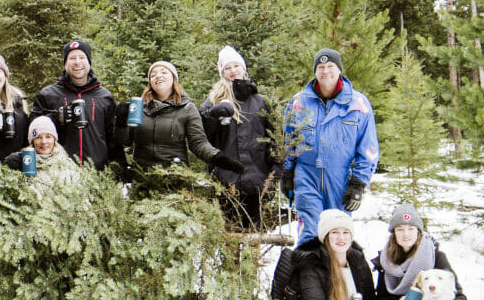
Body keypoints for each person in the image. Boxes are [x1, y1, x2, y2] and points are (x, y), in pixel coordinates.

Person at [282, 48, 378, 246]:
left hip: (341, 179)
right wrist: (287, 173)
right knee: (310, 232)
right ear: (315, 71)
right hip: (307, 176)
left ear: (339, 69)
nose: (325, 71)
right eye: (320, 67)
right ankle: (308, 275)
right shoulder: (299, 102)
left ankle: (335, 275)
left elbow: (368, 147)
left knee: (338, 233)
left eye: (330, 66)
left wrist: (359, 182)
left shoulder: (358, 104)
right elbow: (288, 139)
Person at [371, 204, 468, 300]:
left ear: (419, 231)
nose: (406, 234)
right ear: (394, 233)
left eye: (411, 229)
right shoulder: (386, 260)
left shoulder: (435, 257)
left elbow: (460, 297)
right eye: (400, 229)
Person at [199, 45, 280, 228]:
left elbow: (274, 139)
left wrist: (275, 172)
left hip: (257, 181)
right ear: (222, 72)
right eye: (227, 68)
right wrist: (213, 115)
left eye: (236, 66)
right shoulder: (213, 100)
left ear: (243, 68)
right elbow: (202, 137)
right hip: (226, 182)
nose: (232, 71)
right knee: (230, 240)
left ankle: (253, 258)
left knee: (254, 237)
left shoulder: (261, 102)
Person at [115, 60, 245, 173]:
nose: (158, 76)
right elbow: (124, 142)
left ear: (173, 79)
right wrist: (120, 123)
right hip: (142, 176)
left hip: (176, 175)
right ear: (150, 82)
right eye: (153, 75)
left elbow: (198, 143)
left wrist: (218, 157)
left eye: (164, 72)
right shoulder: (139, 107)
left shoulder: (187, 108)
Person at [32, 39, 119, 169]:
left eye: (82, 57)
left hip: (97, 172)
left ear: (88, 61)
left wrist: (119, 167)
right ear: (65, 63)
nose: (77, 62)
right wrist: (55, 118)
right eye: (72, 58)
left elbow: (113, 137)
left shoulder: (104, 96)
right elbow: (32, 129)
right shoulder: (48, 94)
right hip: (59, 171)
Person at [3, 116, 81, 198]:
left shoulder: (67, 165)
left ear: (54, 139)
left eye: (48, 137)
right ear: (32, 141)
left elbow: (81, 198)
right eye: (38, 137)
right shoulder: (25, 164)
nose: (44, 142)